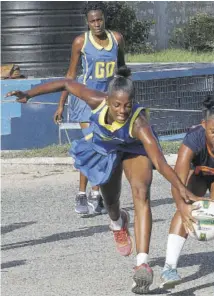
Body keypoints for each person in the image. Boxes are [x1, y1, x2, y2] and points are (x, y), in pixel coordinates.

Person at [6, 66, 203, 294]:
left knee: (141, 192)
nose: (122, 110)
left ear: (133, 103)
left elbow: (160, 163)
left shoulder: (140, 125)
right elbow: (66, 84)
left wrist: (182, 188)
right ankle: (118, 222)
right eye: (117, 105)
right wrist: (28, 94)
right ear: (108, 99)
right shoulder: (96, 100)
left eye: (127, 105)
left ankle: (142, 264)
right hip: (106, 149)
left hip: (134, 149)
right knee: (111, 201)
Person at [160, 97, 214, 295]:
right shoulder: (193, 139)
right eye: (213, 131)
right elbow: (177, 181)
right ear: (204, 125)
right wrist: (184, 208)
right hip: (198, 175)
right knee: (184, 207)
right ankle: (169, 268)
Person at [54, 2, 126, 215]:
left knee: (104, 148)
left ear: (104, 19)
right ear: (87, 22)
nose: (97, 24)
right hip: (85, 101)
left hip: (107, 103)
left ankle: (96, 194)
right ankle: (82, 194)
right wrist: (61, 103)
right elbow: (71, 75)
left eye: (100, 19)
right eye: (92, 21)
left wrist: (126, 97)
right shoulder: (80, 42)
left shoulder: (117, 39)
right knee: (94, 143)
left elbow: (122, 70)